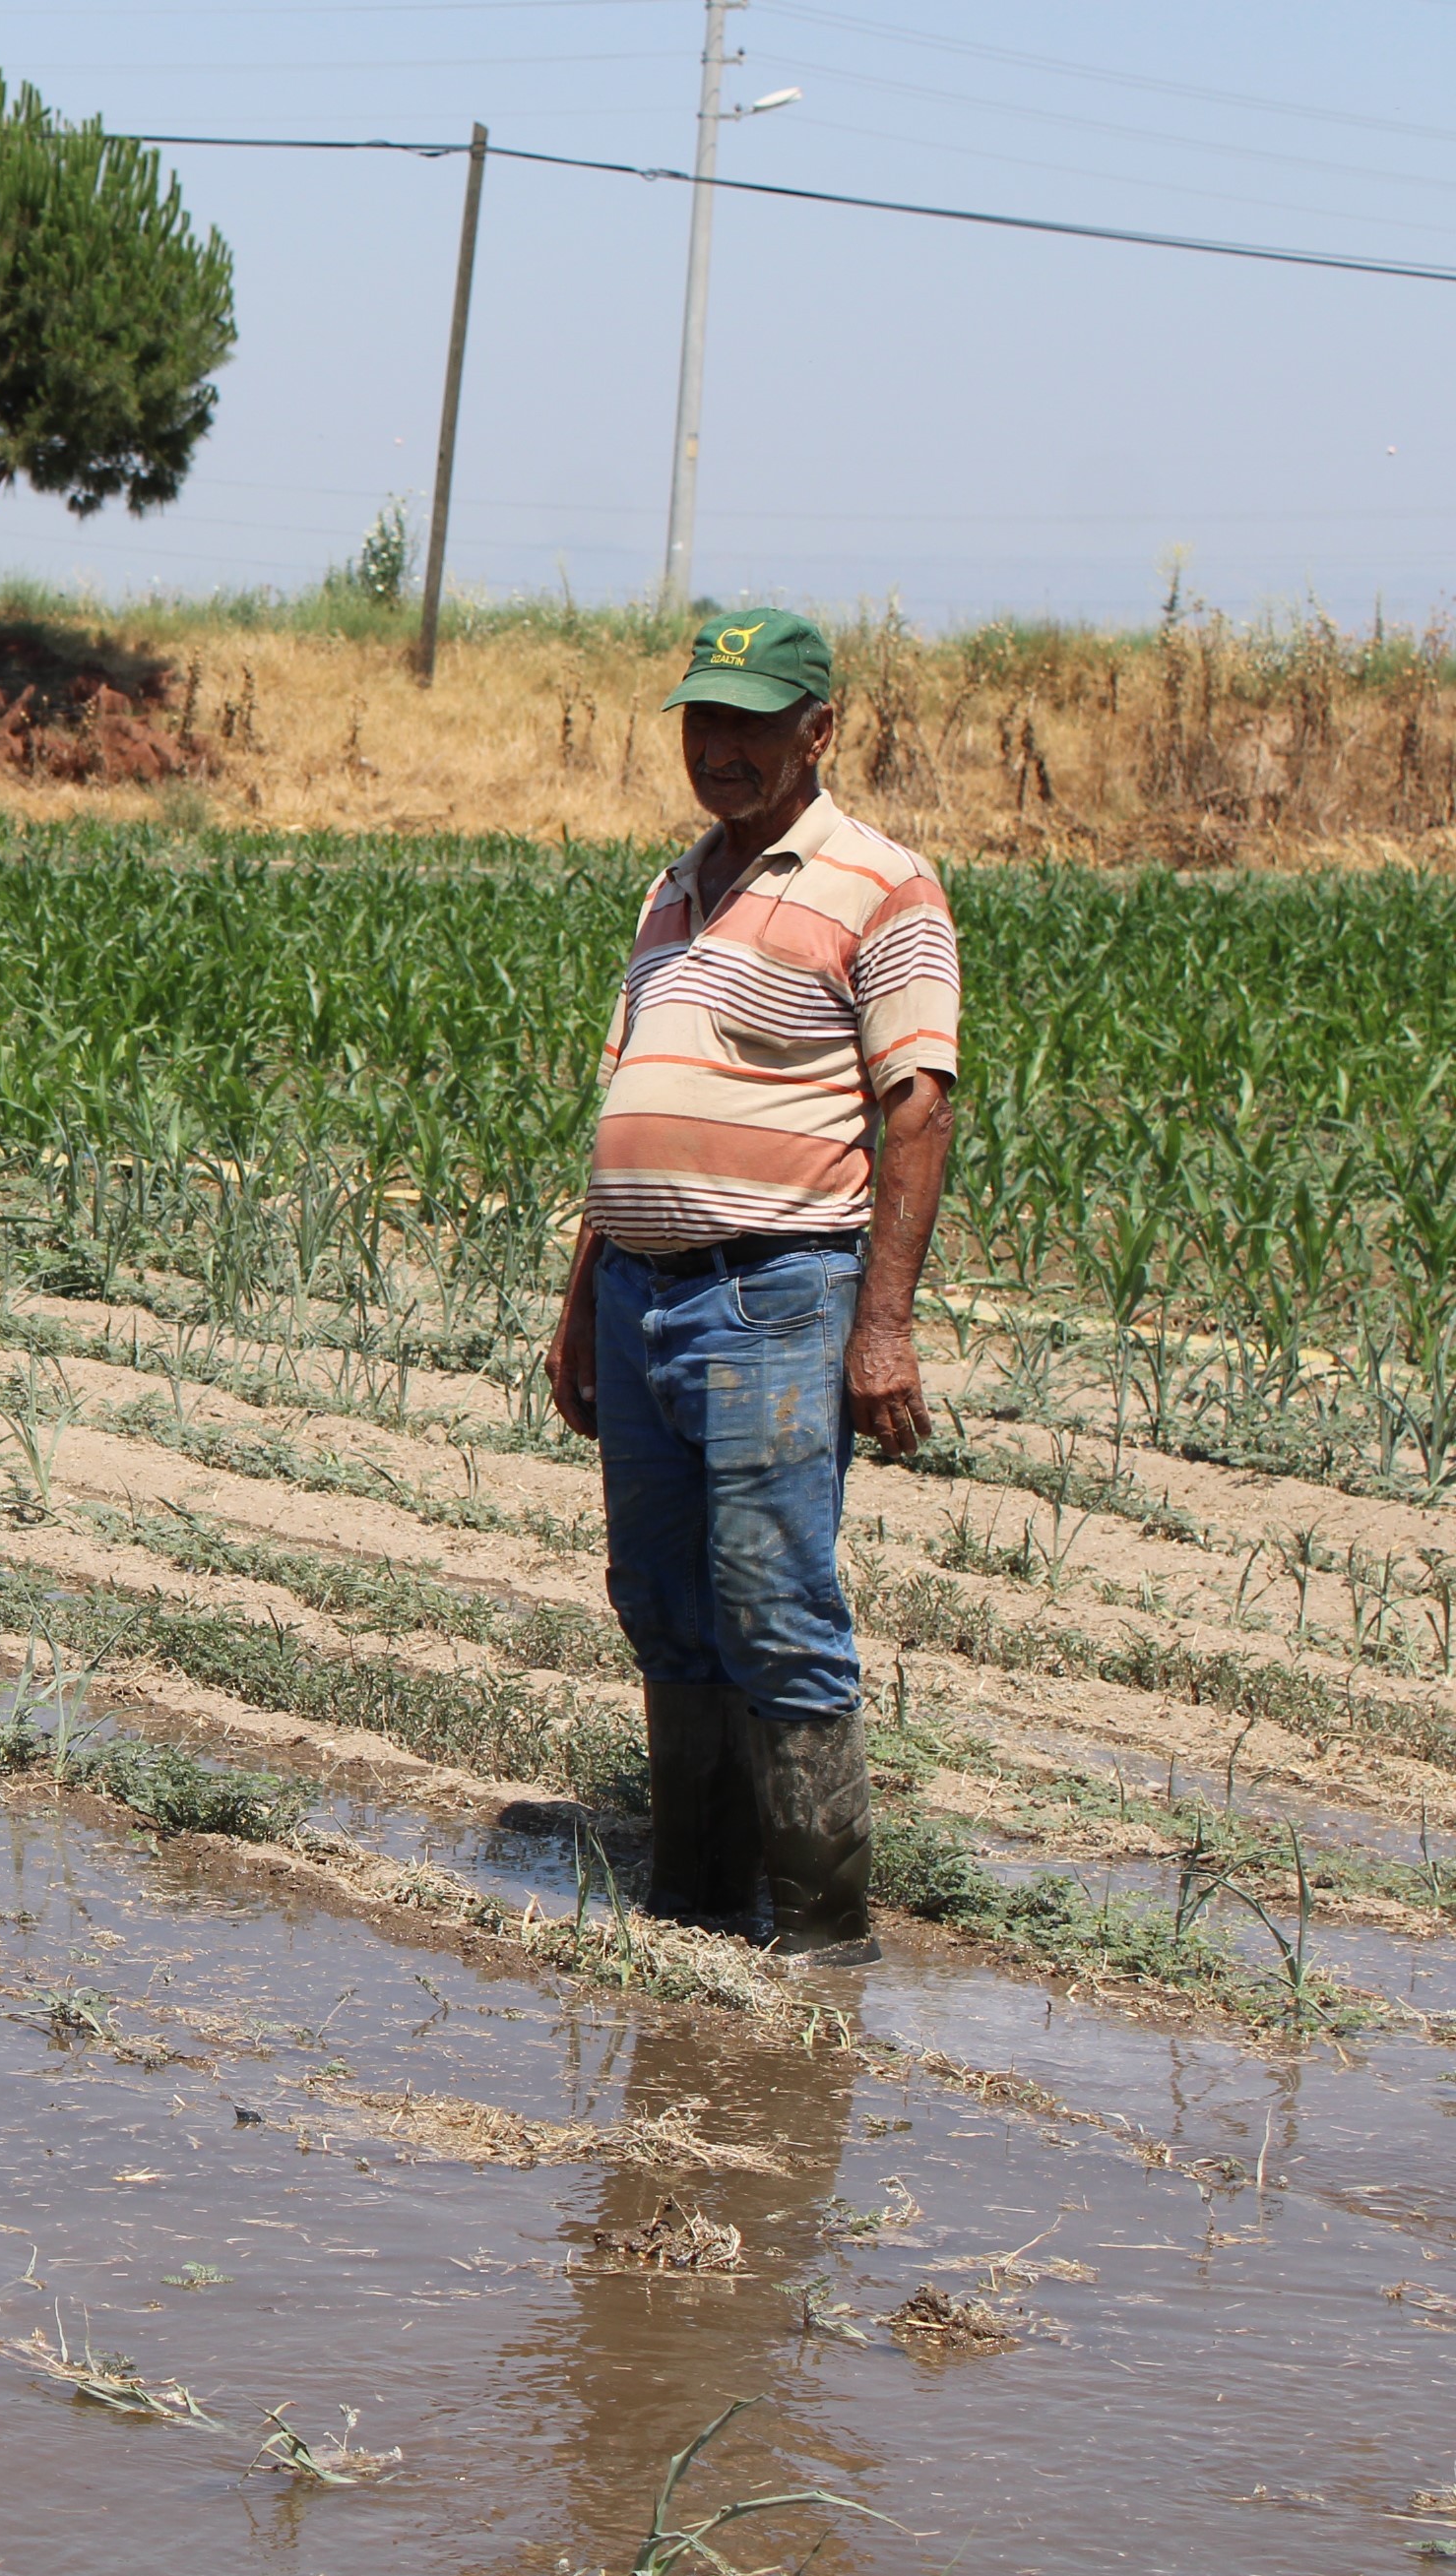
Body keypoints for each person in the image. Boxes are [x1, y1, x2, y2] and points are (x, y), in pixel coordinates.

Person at [542, 608, 957, 1966]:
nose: (717, 747)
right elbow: (635, 1101)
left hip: (778, 1288)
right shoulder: (673, 891)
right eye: (700, 721)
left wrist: (882, 1325)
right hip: (641, 1293)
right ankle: (698, 1900)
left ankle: (824, 1935)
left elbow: (918, 1109)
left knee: (772, 1598)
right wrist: (579, 1300)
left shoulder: (879, 884)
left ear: (818, 731)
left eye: (749, 722)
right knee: (660, 1597)